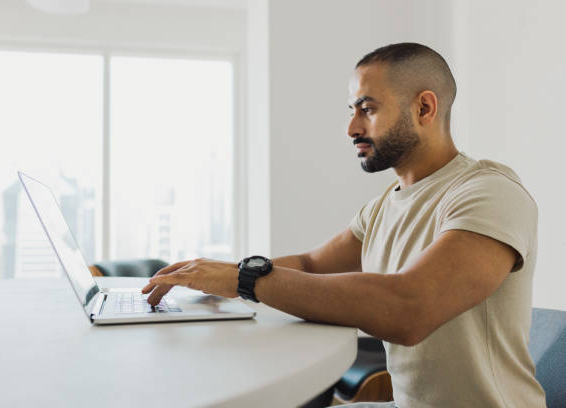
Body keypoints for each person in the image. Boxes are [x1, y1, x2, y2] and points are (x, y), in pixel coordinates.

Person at [142, 43, 547, 408]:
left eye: (367, 109)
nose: (352, 128)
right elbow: (311, 264)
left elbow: (411, 308)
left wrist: (245, 280)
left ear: (424, 108)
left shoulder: (489, 192)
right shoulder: (382, 206)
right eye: (352, 111)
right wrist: (217, 278)